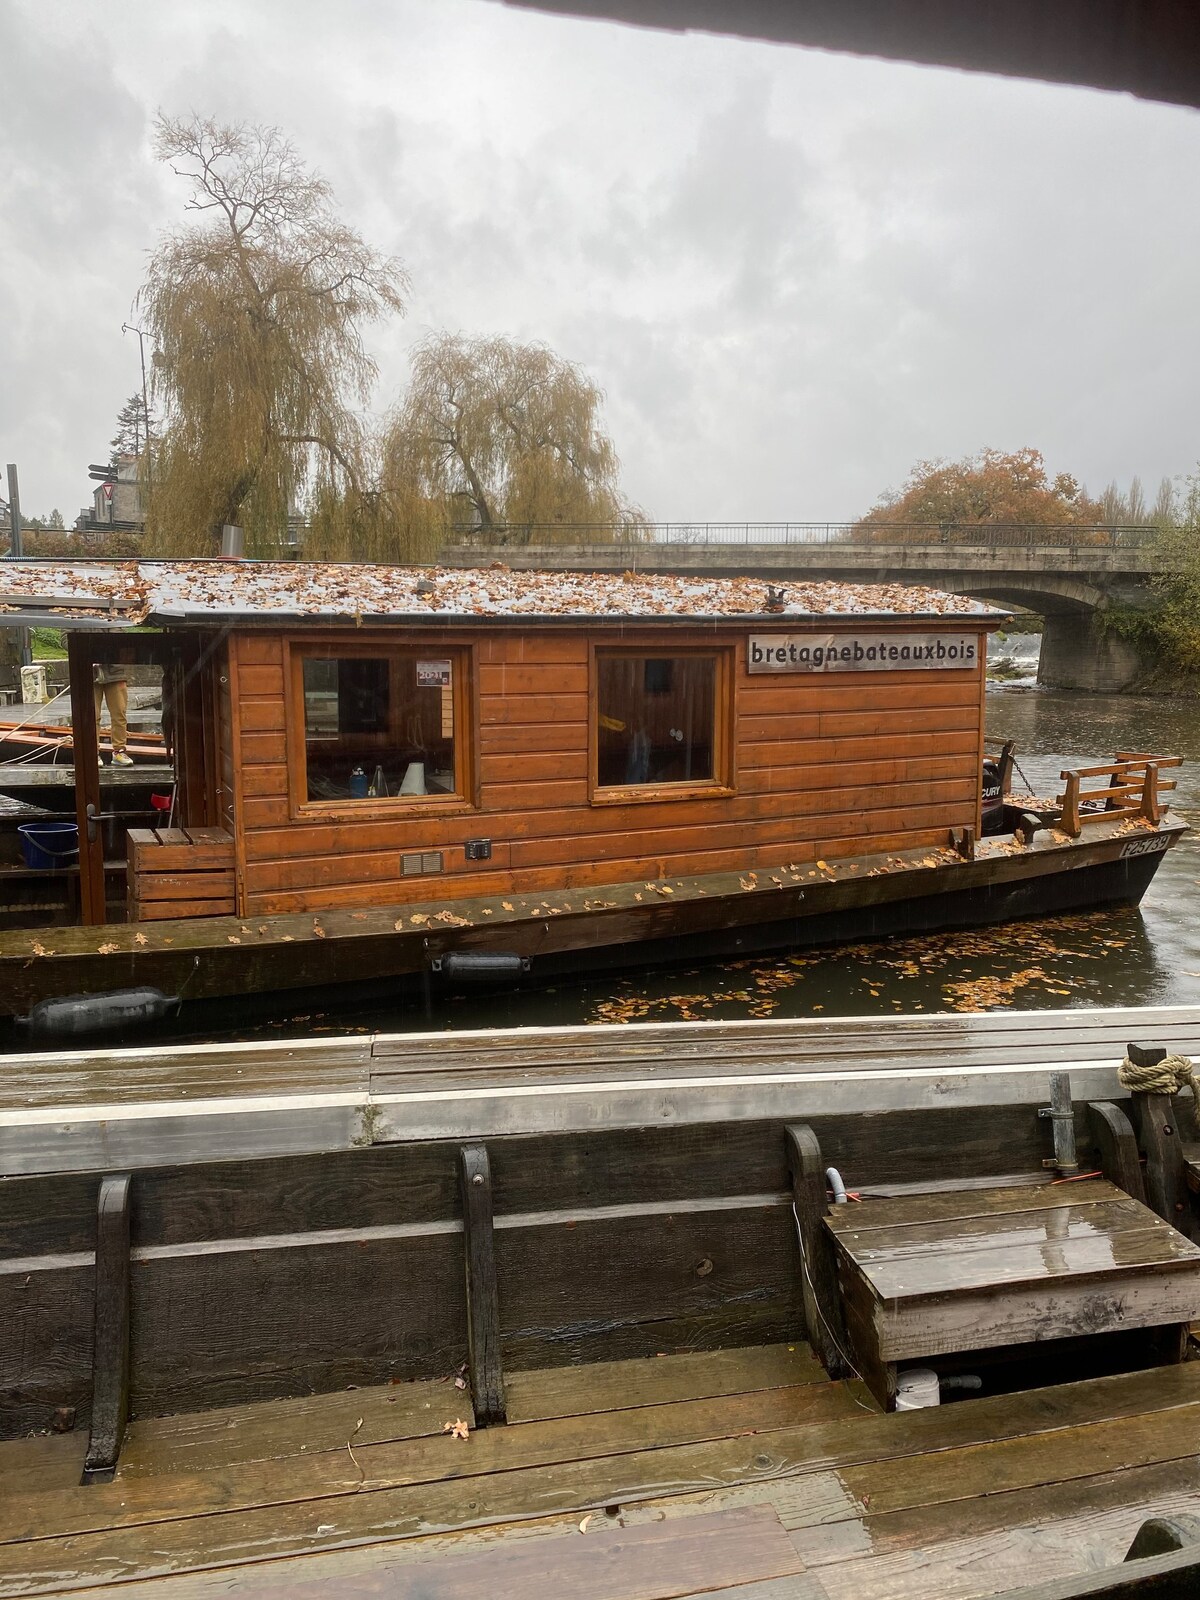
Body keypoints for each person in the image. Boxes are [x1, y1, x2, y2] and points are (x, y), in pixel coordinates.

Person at [94, 661, 133, 765]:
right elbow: (66, 644)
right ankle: (92, 752)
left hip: (116, 672)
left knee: (119, 713)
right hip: (89, 673)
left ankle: (119, 751)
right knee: (92, 715)